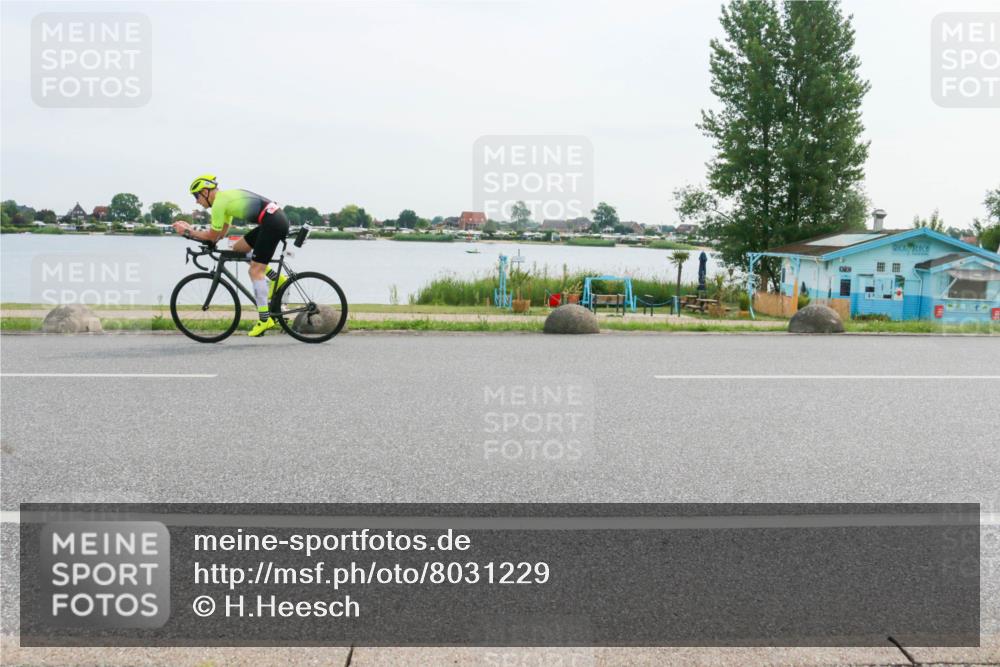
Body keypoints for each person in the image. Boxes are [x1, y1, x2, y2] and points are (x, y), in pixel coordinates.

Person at [173, 175, 289, 337]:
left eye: (196, 196)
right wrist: (208, 239)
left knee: (255, 271)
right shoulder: (223, 200)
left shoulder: (219, 204)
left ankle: (265, 319)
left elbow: (213, 235)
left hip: (273, 223)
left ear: (206, 192)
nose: (196, 201)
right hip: (274, 219)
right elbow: (221, 232)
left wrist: (187, 231)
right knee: (238, 248)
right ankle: (276, 278)